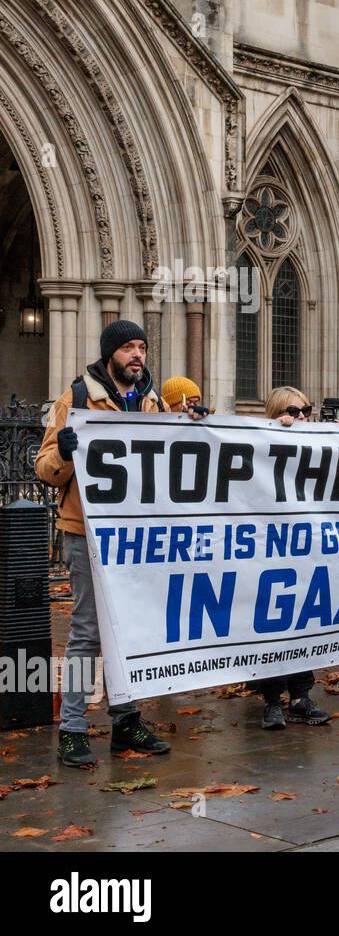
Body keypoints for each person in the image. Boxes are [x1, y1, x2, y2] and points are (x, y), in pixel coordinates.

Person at [37, 321, 205, 767]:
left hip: (135, 537)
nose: (137, 355)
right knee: (87, 633)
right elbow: (44, 470)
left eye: (142, 347)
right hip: (86, 535)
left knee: (127, 632)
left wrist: (191, 428)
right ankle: (72, 728)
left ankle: (126, 720)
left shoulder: (151, 403)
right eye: (128, 347)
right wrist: (66, 453)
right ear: (110, 353)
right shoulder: (74, 399)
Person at [255, 386, 339, 730]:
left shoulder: (316, 444)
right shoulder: (261, 445)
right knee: (272, 626)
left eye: (306, 411)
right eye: (292, 412)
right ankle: (271, 701)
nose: (301, 418)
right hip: (271, 549)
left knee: (304, 624)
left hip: (307, 550)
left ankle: (300, 696)